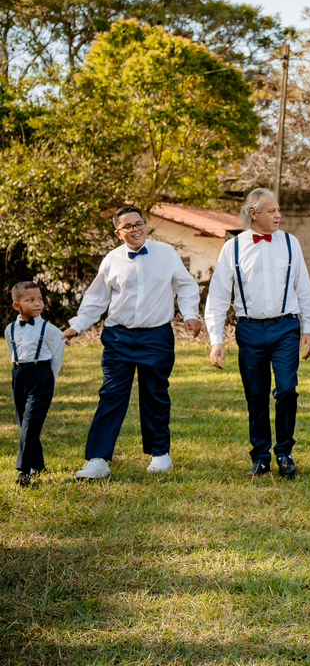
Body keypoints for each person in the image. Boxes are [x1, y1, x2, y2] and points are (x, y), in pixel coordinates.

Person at [67, 206, 203, 480]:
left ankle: (160, 454)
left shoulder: (166, 253)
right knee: (111, 395)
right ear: (118, 233)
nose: (135, 229)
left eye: (139, 223)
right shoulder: (111, 260)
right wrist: (77, 325)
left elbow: (185, 285)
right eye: (128, 226)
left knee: (155, 394)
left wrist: (190, 314)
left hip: (156, 336)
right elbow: (97, 299)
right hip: (118, 337)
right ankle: (98, 459)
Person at [204, 188, 310, 478]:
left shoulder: (291, 242)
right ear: (253, 213)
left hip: (285, 327)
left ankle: (284, 452)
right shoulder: (233, 248)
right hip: (249, 329)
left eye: (278, 210)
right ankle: (261, 457)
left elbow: (304, 288)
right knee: (256, 395)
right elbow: (218, 295)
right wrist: (216, 340)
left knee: (287, 389)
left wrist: (309, 329)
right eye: (272, 210)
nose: (278, 215)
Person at [5, 282, 64, 486]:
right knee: (23, 421)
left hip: (41, 374)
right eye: (30, 300)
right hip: (19, 374)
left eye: (39, 299)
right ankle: (37, 464)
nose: (38, 303)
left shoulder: (49, 329)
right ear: (17, 306)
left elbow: (57, 355)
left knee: (30, 422)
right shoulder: (10, 329)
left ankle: (24, 470)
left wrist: (49, 379)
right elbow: (13, 351)